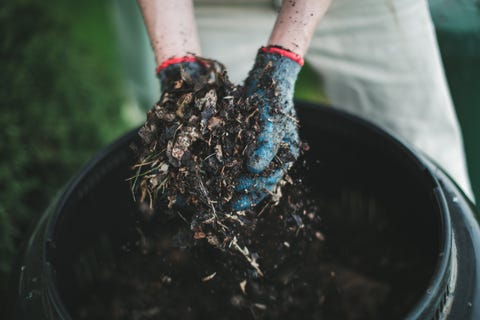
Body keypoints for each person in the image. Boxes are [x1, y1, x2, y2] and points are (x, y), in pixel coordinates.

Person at [122, 0, 473, 208]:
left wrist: (282, 59)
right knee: (218, 176)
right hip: (209, 7)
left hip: (363, 8)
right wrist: (179, 67)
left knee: (425, 156)